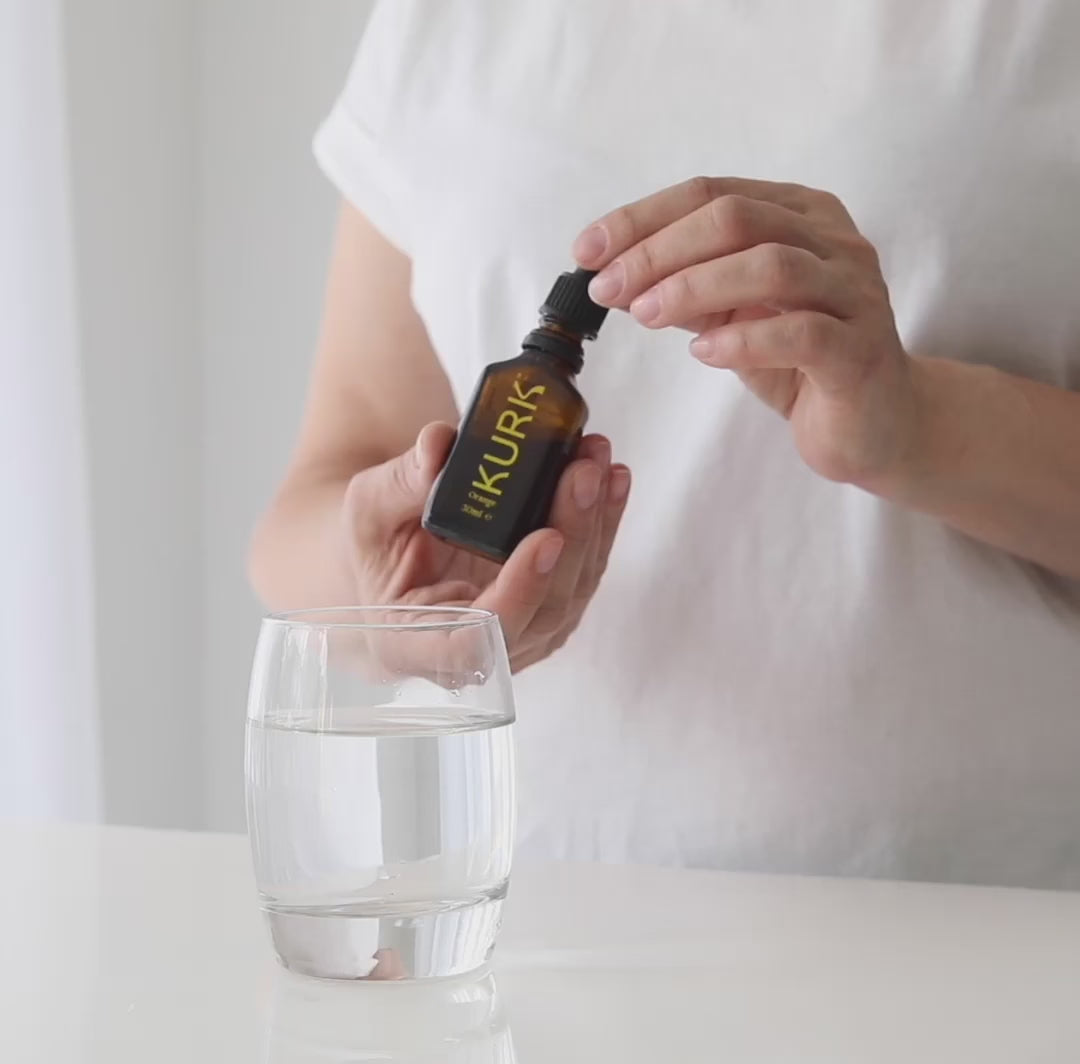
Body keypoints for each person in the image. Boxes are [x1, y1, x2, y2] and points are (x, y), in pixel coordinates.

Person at [249, 0, 1080, 888]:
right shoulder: (448, 20)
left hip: (990, 911)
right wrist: (395, 613)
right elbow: (317, 504)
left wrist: (918, 427)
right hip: (536, 905)